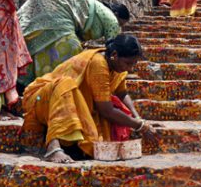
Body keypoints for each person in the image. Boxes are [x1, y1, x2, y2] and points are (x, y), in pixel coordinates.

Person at [21, 34, 158, 163]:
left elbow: (122, 93)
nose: (131, 69)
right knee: (65, 84)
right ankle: (53, 146)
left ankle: (72, 145)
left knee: (104, 127)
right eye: (128, 64)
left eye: (133, 64)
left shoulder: (115, 68)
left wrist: (138, 118)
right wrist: (140, 126)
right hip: (42, 99)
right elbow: (106, 110)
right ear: (114, 56)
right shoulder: (98, 62)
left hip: (72, 104)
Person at [17, 0, 130, 87]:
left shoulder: (98, 8)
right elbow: (113, 52)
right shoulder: (113, 21)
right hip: (56, 5)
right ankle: (51, 87)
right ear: (116, 15)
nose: (119, 28)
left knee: (40, 39)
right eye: (121, 24)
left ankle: (25, 81)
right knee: (72, 49)